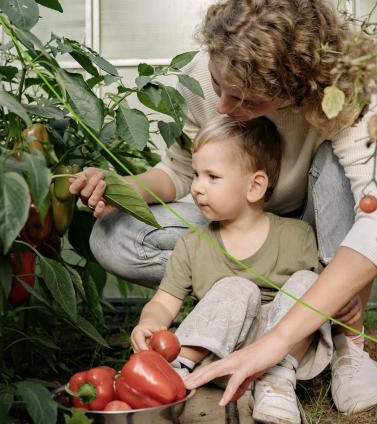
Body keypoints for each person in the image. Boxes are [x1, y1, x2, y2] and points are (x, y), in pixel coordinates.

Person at [68, 0, 377, 414]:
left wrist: (277, 342)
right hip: (237, 216)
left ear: (296, 92)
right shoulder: (204, 74)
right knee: (113, 235)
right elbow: (182, 171)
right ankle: (240, 307)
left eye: (248, 101)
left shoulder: (349, 88)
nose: (225, 108)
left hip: (315, 228)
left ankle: (341, 337)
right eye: (219, 87)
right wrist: (120, 188)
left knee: (347, 175)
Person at [132, 116, 330, 424]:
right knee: (239, 287)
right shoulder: (192, 243)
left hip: (282, 355)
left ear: (255, 186)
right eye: (196, 174)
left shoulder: (297, 236)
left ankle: (275, 384)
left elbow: (322, 306)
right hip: (220, 357)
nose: (196, 187)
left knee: (311, 282)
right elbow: (163, 302)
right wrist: (150, 324)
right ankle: (178, 369)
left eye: (212, 176)